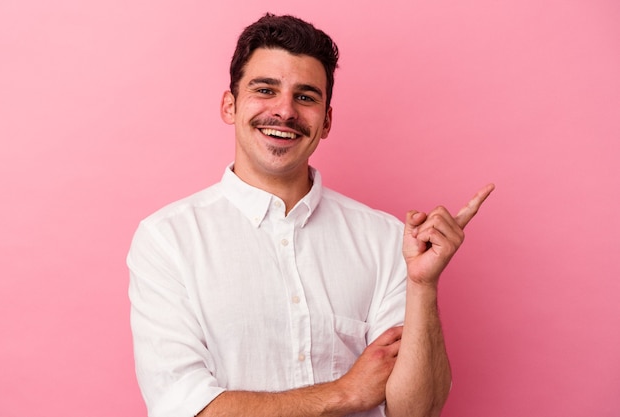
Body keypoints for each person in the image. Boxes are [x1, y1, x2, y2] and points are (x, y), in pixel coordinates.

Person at [127, 13, 494, 417]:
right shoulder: (167, 239)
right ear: (229, 106)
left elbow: (416, 411)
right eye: (265, 89)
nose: (284, 111)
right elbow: (183, 407)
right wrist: (345, 393)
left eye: (305, 96)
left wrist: (423, 284)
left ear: (327, 120)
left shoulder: (385, 239)